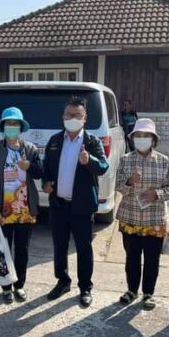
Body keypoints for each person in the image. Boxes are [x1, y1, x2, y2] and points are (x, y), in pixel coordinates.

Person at [42, 97, 109, 307]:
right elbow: (46, 167)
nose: (73, 119)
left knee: (83, 248)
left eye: (77, 115)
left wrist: (89, 161)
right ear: (63, 117)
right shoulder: (55, 141)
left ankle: (85, 287)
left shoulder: (92, 142)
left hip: (82, 206)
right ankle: (62, 281)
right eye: (69, 115)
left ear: (85, 118)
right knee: (59, 246)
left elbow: (103, 167)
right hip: (58, 204)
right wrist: (45, 183)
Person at [115, 119, 169, 309]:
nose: (142, 139)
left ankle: (148, 293)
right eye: (138, 136)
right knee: (132, 258)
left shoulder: (163, 161)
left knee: (152, 260)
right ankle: (131, 291)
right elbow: (118, 187)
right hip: (130, 218)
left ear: (153, 139)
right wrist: (129, 182)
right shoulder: (125, 160)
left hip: (154, 220)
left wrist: (157, 194)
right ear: (133, 138)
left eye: (146, 136)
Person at [0, 107, 44, 303]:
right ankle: (5, 287)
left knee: (22, 249)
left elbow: (40, 173)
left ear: (21, 127)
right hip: (4, 209)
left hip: (25, 209)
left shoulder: (30, 149)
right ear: (3, 126)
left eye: (15, 123)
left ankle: (19, 285)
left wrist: (30, 166)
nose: (12, 126)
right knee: (4, 248)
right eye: (8, 123)